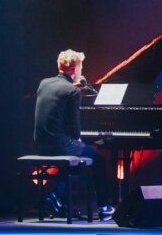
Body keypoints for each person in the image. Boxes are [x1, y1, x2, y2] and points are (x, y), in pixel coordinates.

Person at [33, 49, 114, 221]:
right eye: (80, 67)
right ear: (74, 69)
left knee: (75, 160)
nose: (81, 71)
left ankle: (57, 198)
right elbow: (76, 131)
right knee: (98, 160)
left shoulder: (44, 83)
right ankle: (105, 207)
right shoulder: (73, 92)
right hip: (60, 144)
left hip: (41, 143)